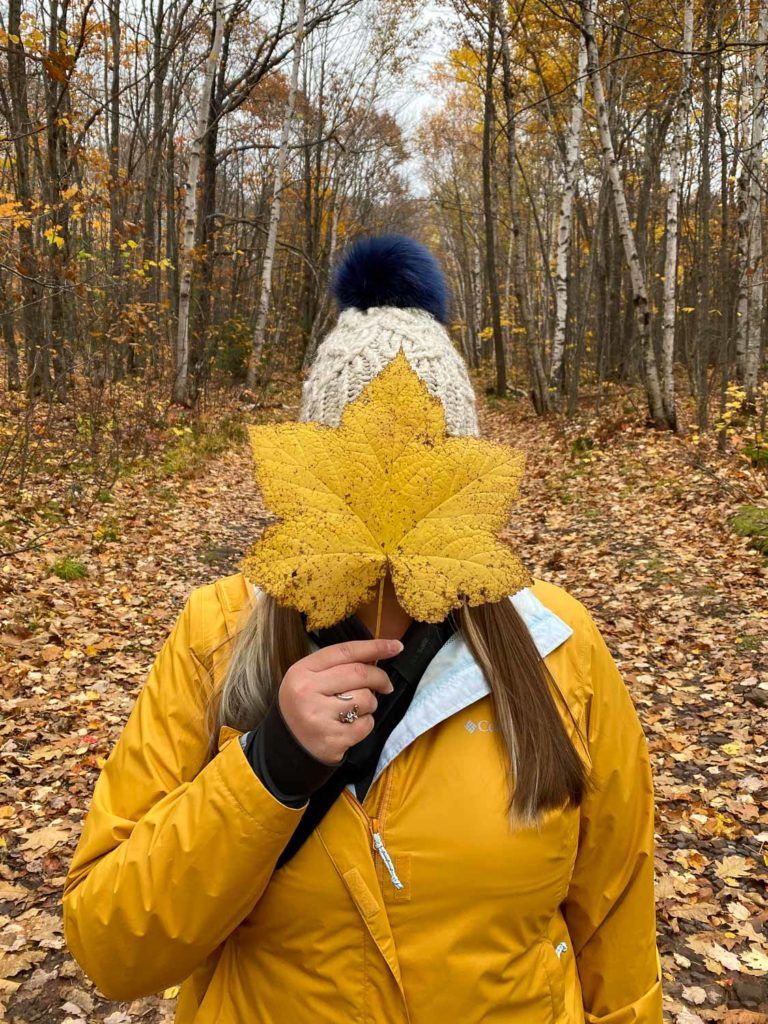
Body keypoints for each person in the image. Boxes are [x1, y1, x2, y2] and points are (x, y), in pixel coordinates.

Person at [62, 235, 664, 1023]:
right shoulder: (218, 633)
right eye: (356, 463)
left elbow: (616, 916)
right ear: (308, 474)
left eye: (431, 461)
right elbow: (112, 948)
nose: (397, 495)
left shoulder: (557, 644)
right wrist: (266, 768)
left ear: (470, 476)